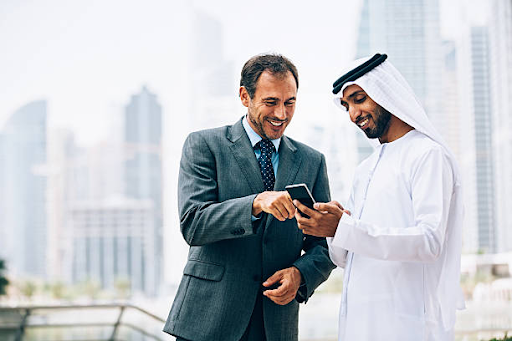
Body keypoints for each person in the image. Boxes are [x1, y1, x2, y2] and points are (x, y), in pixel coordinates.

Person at [163, 53, 335, 341]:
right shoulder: (204, 145)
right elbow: (193, 224)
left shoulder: (312, 161)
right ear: (245, 96)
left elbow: (326, 243)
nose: (281, 114)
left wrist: (300, 274)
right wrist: (255, 203)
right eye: (271, 102)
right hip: (208, 319)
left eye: (289, 102)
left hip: (274, 323)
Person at [293, 54, 465, 341]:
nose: (353, 114)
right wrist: (333, 229)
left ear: (386, 92)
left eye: (359, 99)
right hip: (359, 324)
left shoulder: (427, 155)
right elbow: (350, 258)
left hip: (406, 325)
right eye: (347, 106)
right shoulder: (365, 169)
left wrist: (344, 228)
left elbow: (429, 241)